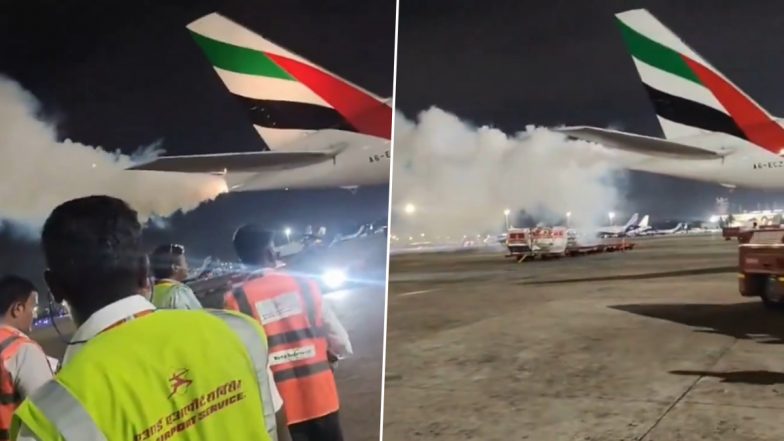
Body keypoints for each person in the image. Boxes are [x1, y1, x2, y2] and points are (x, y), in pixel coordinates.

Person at [11, 196, 291, 441]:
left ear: (54, 287)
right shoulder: (238, 332)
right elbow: (274, 426)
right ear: (146, 270)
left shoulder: (53, 413)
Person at [224, 224, 353, 441]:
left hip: (280, 408)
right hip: (322, 395)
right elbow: (341, 342)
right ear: (270, 252)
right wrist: (333, 356)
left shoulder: (235, 300)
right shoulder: (305, 284)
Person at [0, 276, 54, 440]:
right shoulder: (23, 350)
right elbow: (46, 415)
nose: (35, 314)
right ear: (18, 309)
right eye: (34, 307)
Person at [150, 244, 202, 309]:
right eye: (185, 262)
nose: (187, 265)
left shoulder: (149, 293)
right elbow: (199, 315)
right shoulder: (181, 292)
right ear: (175, 268)